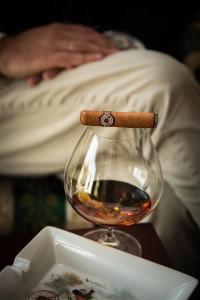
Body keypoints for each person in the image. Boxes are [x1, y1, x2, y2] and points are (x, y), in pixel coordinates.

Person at [0, 19, 200, 279]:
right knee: (165, 85)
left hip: (112, 56)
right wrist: (5, 46)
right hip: (11, 79)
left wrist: (121, 44)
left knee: (169, 206)